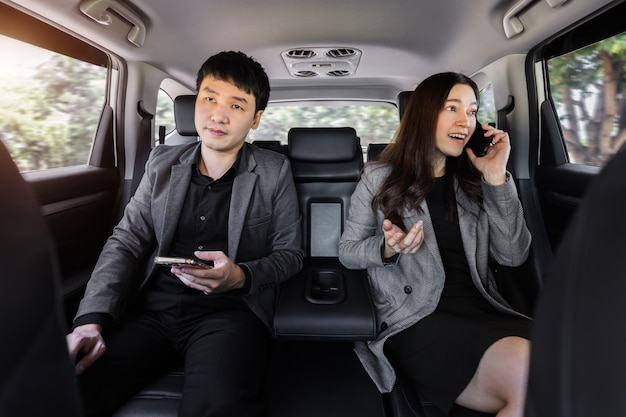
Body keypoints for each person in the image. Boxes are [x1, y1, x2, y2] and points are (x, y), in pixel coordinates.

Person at [66, 51, 303, 417]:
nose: (218, 115)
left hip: (231, 314)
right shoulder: (161, 164)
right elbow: (126, 242)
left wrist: (240, 276)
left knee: (218, 406)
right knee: (70, 390)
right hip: (151, 311)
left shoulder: (273, 171)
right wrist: (90, 320)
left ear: (255, 119)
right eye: (209, 98)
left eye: (236, 105)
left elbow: (290, 254)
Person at [339, 72, 532, 417]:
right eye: (452, 108)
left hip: (485, 309)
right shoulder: (379, 178)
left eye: (472, 112)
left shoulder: (476, 178)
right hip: (417, 317)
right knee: (529, 376)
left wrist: (496, 178)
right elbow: (348, 251)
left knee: (573, 364)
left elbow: (513, 256)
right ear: (424, 114)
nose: (465, 121)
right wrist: (388, 249)